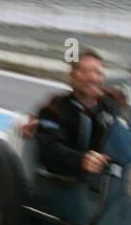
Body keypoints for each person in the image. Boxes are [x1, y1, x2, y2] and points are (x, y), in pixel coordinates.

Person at [34, 48, 121, 177]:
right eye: (84, 71)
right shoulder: (54, 110)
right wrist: (82, 160)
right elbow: (50, 151)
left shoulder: (112, 105)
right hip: (69, 183)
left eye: (97, 72)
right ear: (72, 76)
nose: (92, 78)